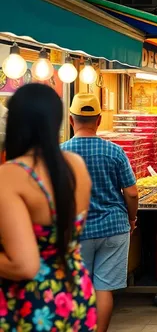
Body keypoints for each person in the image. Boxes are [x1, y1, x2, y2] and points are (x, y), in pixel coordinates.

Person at [0, 84, 97, 331]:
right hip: (75, 293)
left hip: (33, 304)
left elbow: (25, 265)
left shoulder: (11, 176)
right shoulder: (75, 165)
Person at [62, 93, 138, 332]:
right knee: (104, 288)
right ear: (99, 120)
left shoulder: (59, 154)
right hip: (113, 228)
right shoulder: (115, 151)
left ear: (71, 120)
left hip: (77, 231)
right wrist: (132, 218)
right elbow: (132, 193)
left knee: (78, 287)